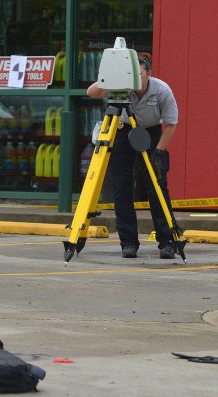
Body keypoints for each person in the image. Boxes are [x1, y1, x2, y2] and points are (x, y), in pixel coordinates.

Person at [86, 52, 179, 259]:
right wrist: (109, 77)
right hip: (123, 130)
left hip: (152, 132)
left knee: (156, 186)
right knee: (121, 187)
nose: (135, 78)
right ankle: (128, 243)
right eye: (132, 74)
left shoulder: (162, 90)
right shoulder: (122, 84)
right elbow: (91, 92)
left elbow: (171, 124)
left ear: (149, 73)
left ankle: (167, 242)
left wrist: (158, 151)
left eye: (140, 73)